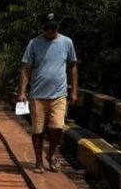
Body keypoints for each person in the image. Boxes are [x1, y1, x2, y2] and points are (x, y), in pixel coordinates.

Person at [17, 13, 79, 174]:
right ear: (43, 28)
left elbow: (72, 66)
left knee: (57, 128)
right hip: (38, 95)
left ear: (58, 27)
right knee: (37, 130)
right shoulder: (34, 44)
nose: (51, 31)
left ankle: (50, 155)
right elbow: (26, 68)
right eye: (48, 28)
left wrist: (74, 90)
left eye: (54, 28)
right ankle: (38, 162)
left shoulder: (67, 43)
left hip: (59, 95)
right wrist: (22, 92)